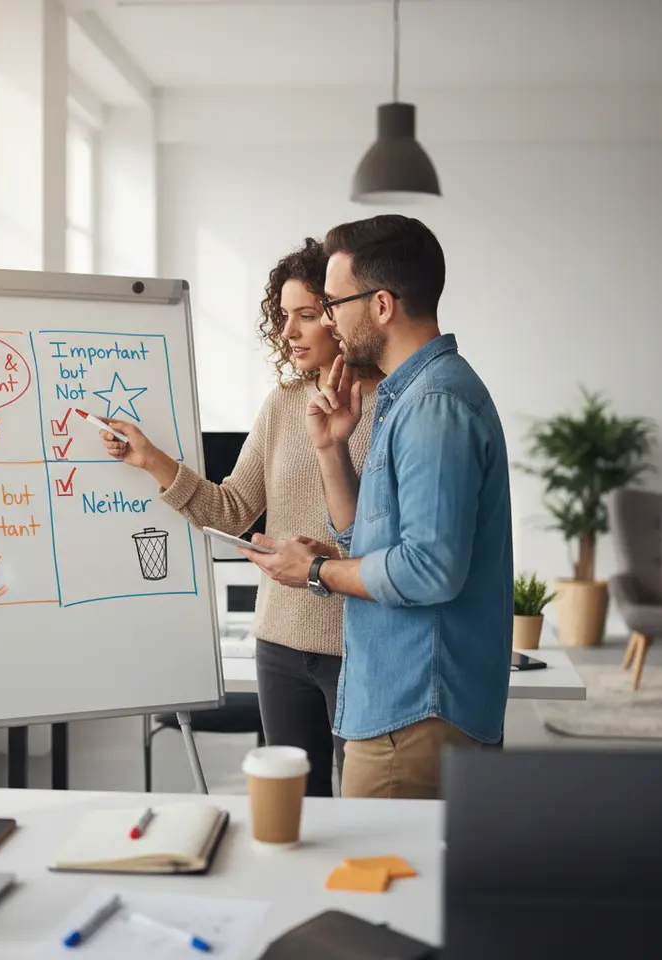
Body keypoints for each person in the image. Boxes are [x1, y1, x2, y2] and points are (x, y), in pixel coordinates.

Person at [240, 215, 513, 800]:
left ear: (382, 305)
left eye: (333, 303)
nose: (329, 319)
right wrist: (331, 448)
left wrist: (316, 570)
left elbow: (428, 570)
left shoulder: (433, 405)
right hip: (398, 705)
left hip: (413, 711)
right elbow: (370, 539)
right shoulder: (407, 396)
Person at [99, 238, 379, 797]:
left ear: (339, 315)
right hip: (279, 645)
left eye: (306, 315)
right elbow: (231, 510)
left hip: (362, 645)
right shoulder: (283, 404)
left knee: (364, 809)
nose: (289, 331)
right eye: (284, 316)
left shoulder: (394, 406)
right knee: (294, 807)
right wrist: (150, 459)